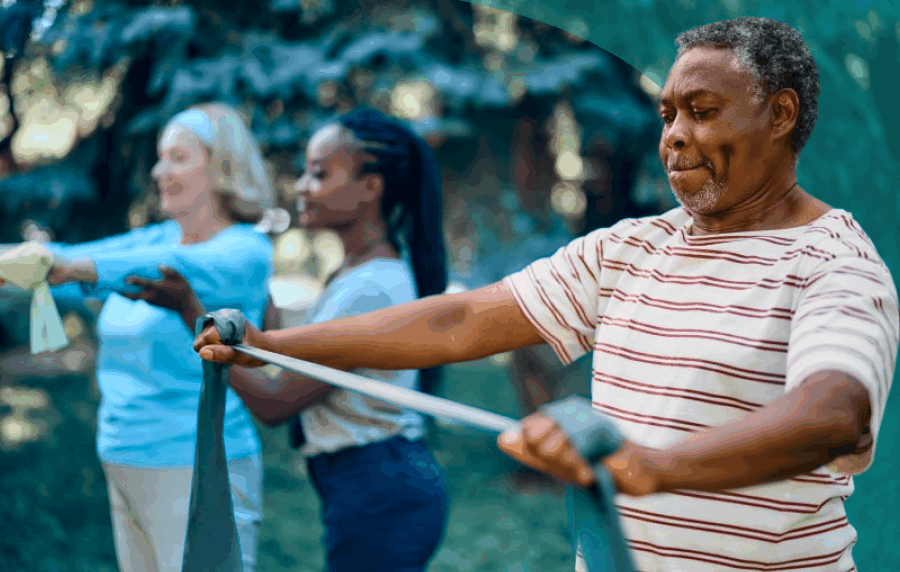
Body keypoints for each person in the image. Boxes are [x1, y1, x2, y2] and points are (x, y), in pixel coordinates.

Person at [194, 18, 899, 572]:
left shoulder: (833, 263)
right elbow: (461, 321)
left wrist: (653, 468)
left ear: (780, 116)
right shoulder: (631, 247)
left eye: (703, 111)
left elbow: (834, 414)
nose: (676, 137)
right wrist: (273, 344)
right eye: (667, 114)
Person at [136, 107, 450, 572]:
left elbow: (275, 404)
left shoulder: (371, 287)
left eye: (320, 174)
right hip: (372, 482)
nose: (302, 185)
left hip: (379, 489)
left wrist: (189, 311)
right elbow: (287, 354)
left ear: (371, 187)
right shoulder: (355, 273)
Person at [1, 103, 274, 572]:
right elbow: (71, 256)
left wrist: (68, 267)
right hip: (124, 457)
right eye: (160, 157)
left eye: (177, 158)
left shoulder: (245, 249)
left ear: (221, 167)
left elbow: (154, 271)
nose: (158, 170)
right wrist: (26, 262)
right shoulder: (159, 237)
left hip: (198, 464)